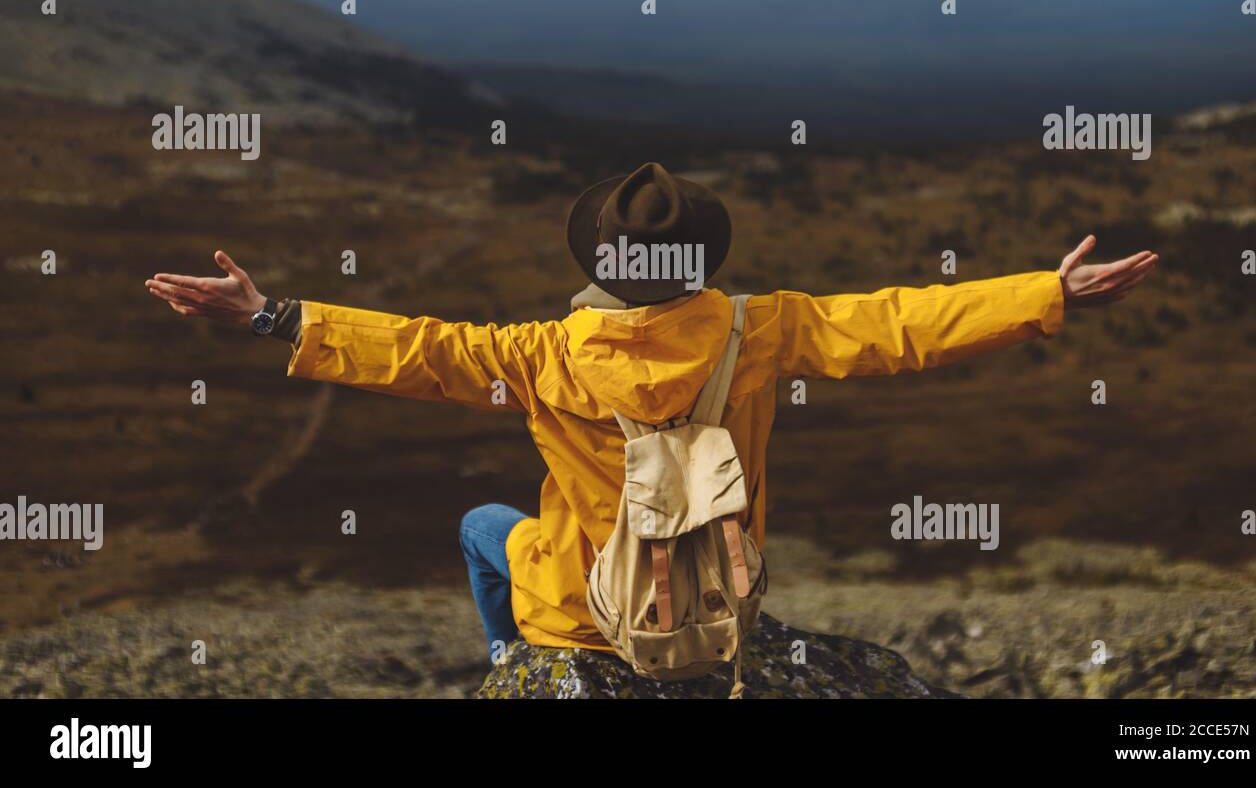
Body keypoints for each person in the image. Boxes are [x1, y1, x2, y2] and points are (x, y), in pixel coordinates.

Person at [146, 161, 1158, 658]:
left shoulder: (538, 354)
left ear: (594, 264)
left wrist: (271, 313)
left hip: (589, 617)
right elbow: (896, 323)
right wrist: (1046, 293)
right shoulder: (759, 331)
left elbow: (416, 349)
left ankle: (516, 659)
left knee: (481, 526)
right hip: (721, 606)